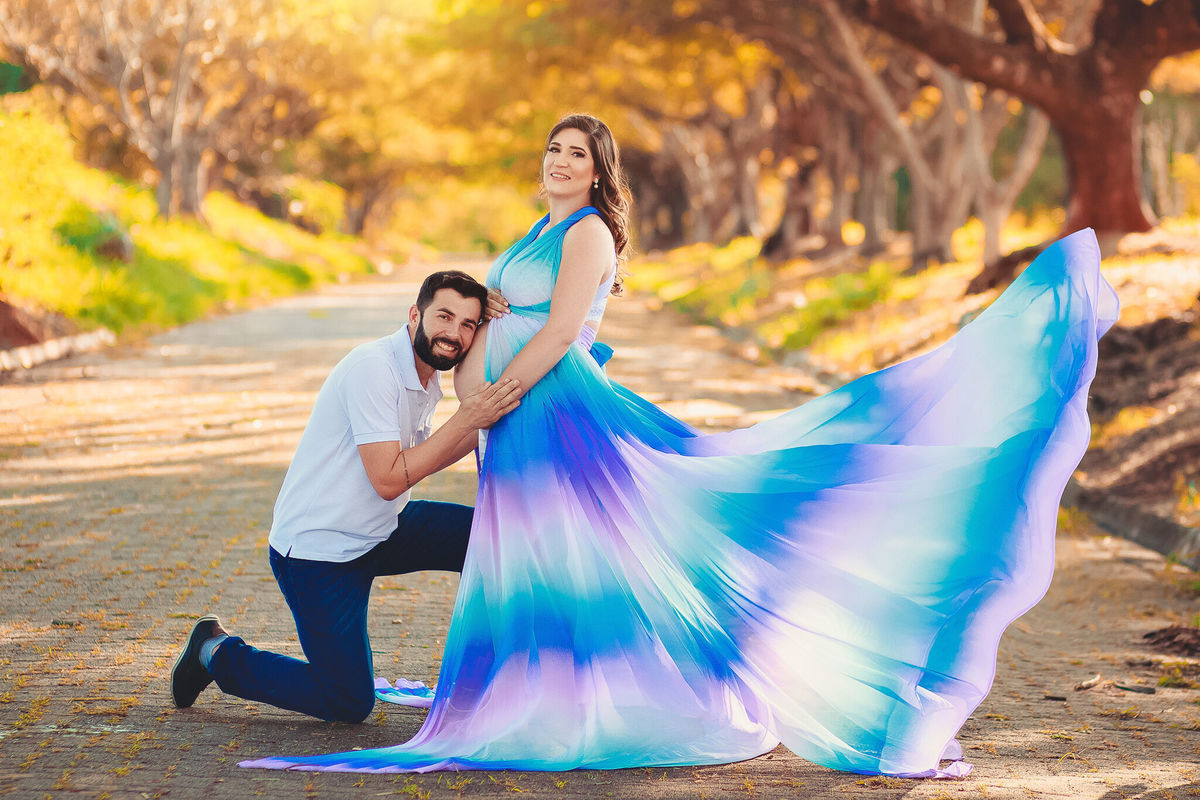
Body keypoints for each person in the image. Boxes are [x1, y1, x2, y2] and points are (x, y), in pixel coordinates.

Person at [242, 114, 1118, 776]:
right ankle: (538, 680)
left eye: (577, 154)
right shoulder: (536, 229)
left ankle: (604, 690)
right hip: (508, 427)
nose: (560, 161)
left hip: (546, 414)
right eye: (553, 149)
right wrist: (483, 366)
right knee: (543, 554)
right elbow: (505, 314)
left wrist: (496, 397)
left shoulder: (586, 231)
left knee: (611, 545)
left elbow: (562, 334)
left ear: (599, 172)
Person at [170, 270, 521, 723]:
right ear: (415, 315)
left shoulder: (427, 376)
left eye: (468, 324)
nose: (454, 333)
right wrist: (468, 420)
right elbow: (389, 479)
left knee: (496, 537)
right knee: (348, 701)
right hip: (320, 552)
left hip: (382, 528)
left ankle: (514, 674)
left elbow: (432, 453)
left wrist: (491, 415)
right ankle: (214, 652)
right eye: (444, 316)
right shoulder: (373, 369)